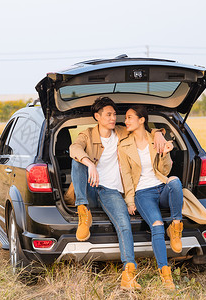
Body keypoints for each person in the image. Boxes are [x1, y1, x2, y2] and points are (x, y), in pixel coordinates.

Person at [69, 97, 167, 290]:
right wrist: (89, 163)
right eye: (108, 114)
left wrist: (158, 134)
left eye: (114, 114)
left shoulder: (121, 132)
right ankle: (83, 212)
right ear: (97, 117)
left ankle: (128, 274)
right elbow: (74, 148)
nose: (113, 118)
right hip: (89, 188)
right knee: (77, 161)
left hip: (111, 191)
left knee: (124, 225)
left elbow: (144, 130)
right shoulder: (87, 134)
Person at [118, 105, 184, 290]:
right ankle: (166, 274)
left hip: (160, 187)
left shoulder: (155, 140)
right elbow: (127, 176)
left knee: (175, 181)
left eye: (130, 117)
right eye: (126, 118)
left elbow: (164, 171)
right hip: (142, 193)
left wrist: (165, 153)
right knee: (157, 225)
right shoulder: (124, 146)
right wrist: (130, 201)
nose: (126, 121)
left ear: (142, 120)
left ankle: (176, 226)